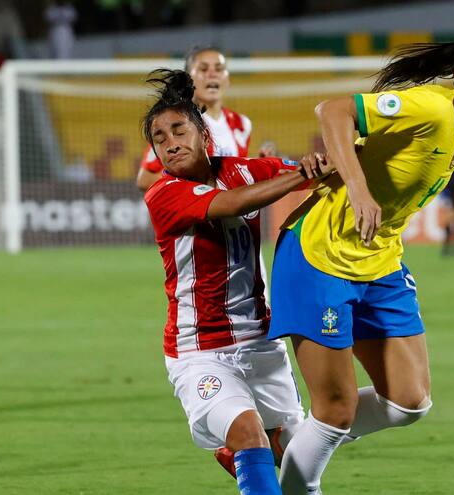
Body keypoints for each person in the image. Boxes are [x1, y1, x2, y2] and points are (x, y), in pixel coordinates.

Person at [267, 10, 454, 494]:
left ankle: (293, 439)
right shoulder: (430, 107)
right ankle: (302, 477)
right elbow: (332, 110)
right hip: (319, 256)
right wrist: (359, 191)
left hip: (379, 260)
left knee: (409, 401)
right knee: (335, 412)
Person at [140, 69, 334, 495]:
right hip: (199, 351)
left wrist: (323, 165)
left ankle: (240, 457)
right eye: (159, 138)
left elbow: (298, 170)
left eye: (179, 129)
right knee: (249, 433)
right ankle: (241, 450)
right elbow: (231, 204)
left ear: (203, 133)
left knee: (289, 452)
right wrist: (302, 176)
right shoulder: (164, 194)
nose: (170, 143)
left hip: (261, 342)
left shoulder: (242, 169)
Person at [136, 45, 273, 191]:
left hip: (229, 211)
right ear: (188, 78)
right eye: (203, 69)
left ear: (228, 79)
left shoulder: (242, 124)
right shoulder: (178, 121)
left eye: (219, 69)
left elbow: (233, 178)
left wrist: (259, 168)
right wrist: (199, 188)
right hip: (197, 212)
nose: (212, 74)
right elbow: (145, 180)